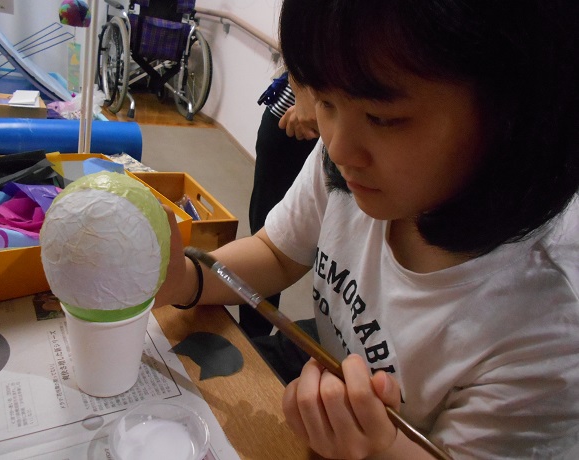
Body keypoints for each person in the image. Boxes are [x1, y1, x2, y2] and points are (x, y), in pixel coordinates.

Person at [156, 0, 579, 458]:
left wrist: (381, 449)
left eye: (383, 118)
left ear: (513, 114)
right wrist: (186, 279)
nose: (337, 148)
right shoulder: (352, 165)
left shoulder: (548, 330)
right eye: (325, 102)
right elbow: (276, 254)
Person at [239, 71, 319, 338]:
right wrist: (305, 93)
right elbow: (271, 253)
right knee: (269, 236)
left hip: (310, 125)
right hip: (292, 125)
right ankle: (254, 339)